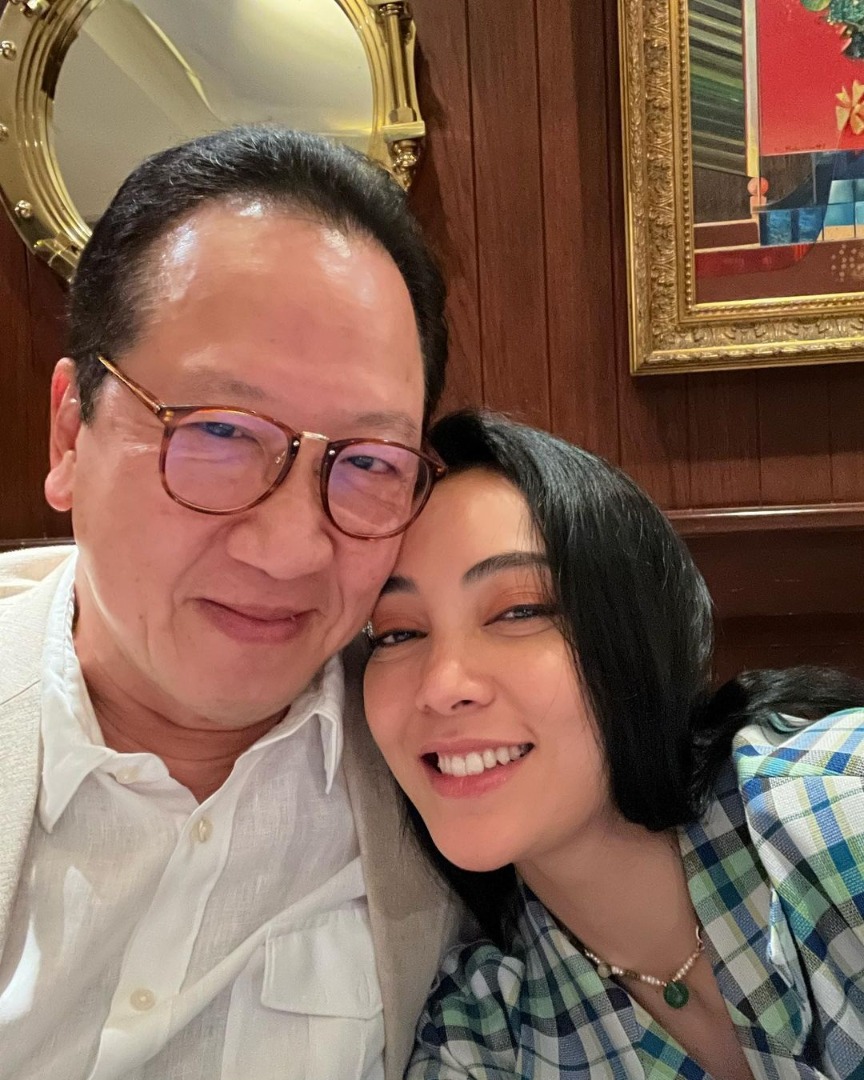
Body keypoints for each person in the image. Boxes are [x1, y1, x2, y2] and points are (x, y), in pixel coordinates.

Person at [0, 126, 461, 1080]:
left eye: (368, 462)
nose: (291, 549)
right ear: (70, 434)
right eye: (215, 432)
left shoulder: (454, 767)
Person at [363, 409, 864, 1080]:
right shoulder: (484, 1035)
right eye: (397, 632)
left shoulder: (837, 806)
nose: (441, 685)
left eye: (518, 611)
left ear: (636, 634)